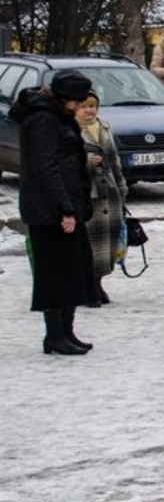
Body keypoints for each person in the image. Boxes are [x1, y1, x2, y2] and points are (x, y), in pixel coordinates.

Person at [11, 70, 98, 355]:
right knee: (56, 274)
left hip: (65, 204)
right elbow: (46, 168)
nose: (79, 106)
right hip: (49, 210)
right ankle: (55, 335)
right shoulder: (43, 120)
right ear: (63, 98)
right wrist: (65, 208)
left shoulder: (54, 115)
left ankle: (67, 331)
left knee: (72, 271)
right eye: (76, 101)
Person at [76, 91, 127, 307]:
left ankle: (97, 282)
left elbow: (114, 160)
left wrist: (122, 186)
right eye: (85, 106)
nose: (90, 111)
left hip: (109, 194)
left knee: (106, 245)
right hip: (88, 196)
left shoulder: (104, 127)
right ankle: (88, 287)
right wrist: (86, 162)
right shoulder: (70, 131)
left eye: (93, 106)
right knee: (88, 245)